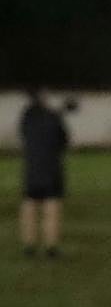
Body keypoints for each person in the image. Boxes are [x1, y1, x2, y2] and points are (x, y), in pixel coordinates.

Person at [18, 88, 69, 258]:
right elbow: (64, 141)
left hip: (31, 170)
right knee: (51, 209)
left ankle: (29, 246)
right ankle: (51, 247)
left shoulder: (26, 118)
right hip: (51, 169)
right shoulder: (53, 117)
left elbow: (24, 137)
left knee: (29, 207)